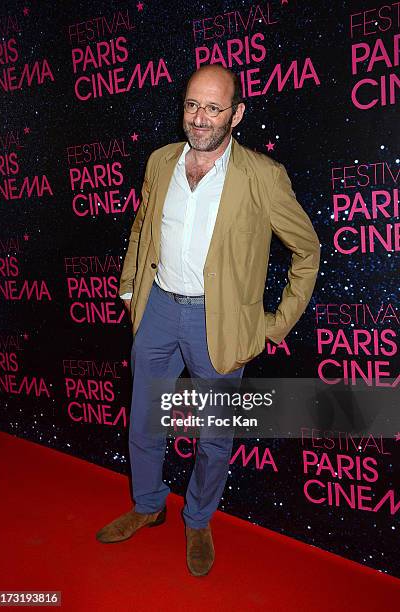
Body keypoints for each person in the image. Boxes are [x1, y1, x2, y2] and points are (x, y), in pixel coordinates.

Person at [96, 65, 320, 576]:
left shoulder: (262, 176)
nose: (200, 118)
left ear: (236, 114)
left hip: (218, 325)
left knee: (215, 433)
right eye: (193, 105)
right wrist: (132, 289)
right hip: (158, 310)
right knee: (145, 417)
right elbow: (141, 228)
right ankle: (149, 503)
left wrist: (273, 324)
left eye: (214, 108)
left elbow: (307, 251)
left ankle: (197, 519)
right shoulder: (160, 162)